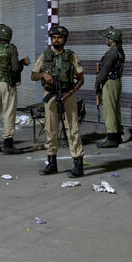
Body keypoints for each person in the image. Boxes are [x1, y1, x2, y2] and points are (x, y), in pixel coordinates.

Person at [30, 25, 85, 177]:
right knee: (50, 130)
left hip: (68, 95)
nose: (56, 40)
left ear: (64, 39)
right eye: (54, 37)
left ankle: (78, 164)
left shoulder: (71, 56)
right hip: (51, 96)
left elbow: (81, 79)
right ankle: (51, 163)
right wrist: (43, 75)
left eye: (59, 37)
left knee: (72, 129)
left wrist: (70, 93)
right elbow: (33, 75)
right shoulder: (45, 56)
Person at [0, 23, 25, 154]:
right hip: (7, 85)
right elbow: (15, 68)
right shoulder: (11, 49)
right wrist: (22, 64)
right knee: (8, 113)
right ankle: (7, 144)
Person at [95, 26, 125, 148]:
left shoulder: (112, 52)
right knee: (115, 109)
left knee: (109, 110)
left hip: (110, 82)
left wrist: (97, 84)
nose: (105, 40)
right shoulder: (119, 50)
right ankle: (117, 136)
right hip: (116, 81)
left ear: (112, 39)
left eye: (107, 38)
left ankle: (112, 138)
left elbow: (105, 70)